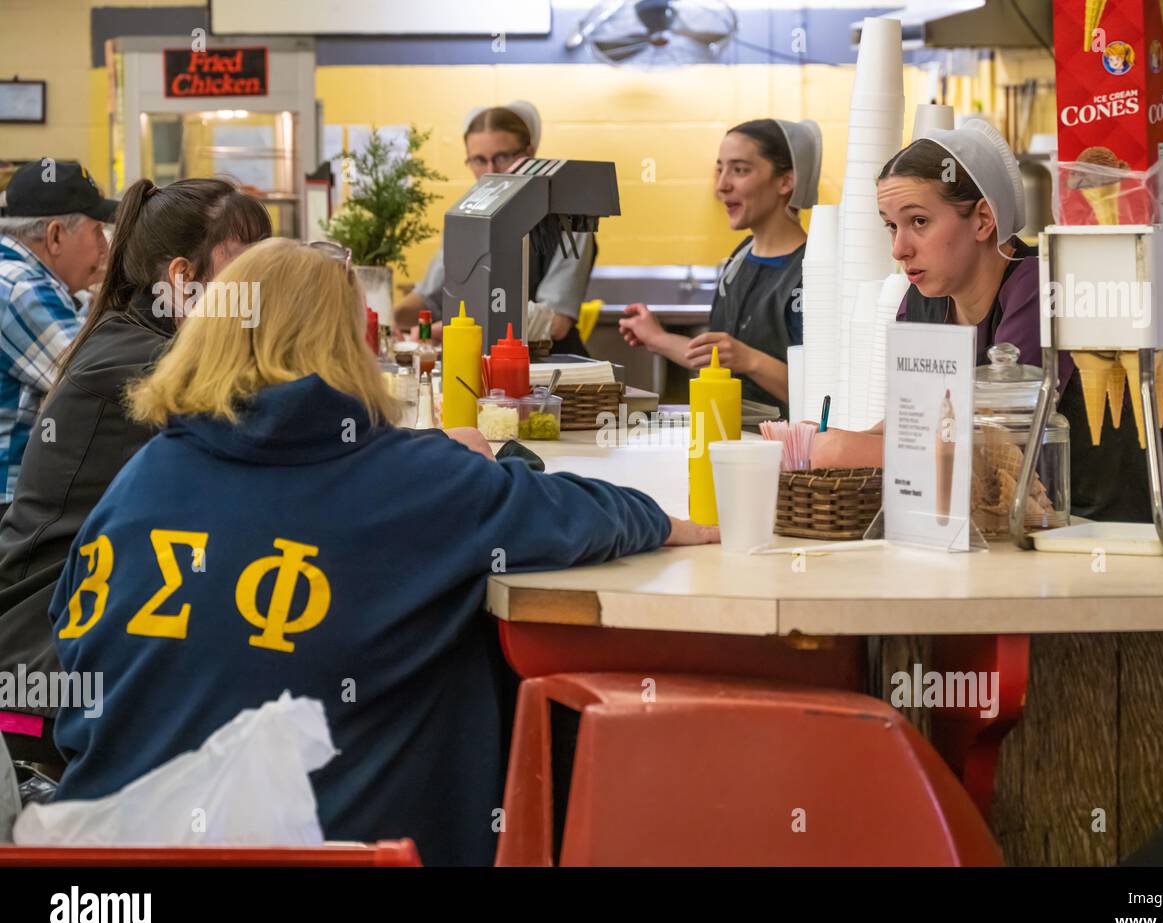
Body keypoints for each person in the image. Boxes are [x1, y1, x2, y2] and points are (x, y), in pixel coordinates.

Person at [47, 239, 717, 865]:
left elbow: (70, 655)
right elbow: (573, 515)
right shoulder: (415, 482)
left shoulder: (142, 479)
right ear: (349, 341)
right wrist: (662, 519)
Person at [812, 119, 1163, 532]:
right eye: (890, 226)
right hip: (1081, 516)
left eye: (918, 222)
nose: (899, 249)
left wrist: (842, 449)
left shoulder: (1043, 288)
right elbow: (919, 424)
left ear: (983, 220)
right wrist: (826, 442)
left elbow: (995, 446)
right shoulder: (919, 305)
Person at [0, 178, 271, 771]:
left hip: (76, 639)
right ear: (182, 277)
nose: (267, 285)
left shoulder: (136, 335)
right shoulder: (149, 366)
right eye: (249, 265)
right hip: (45, 671)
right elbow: (285, 439)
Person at [618, 118, 821, 418]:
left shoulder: (811, 271)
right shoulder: (740, 258)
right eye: (720, 169)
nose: (722, 185)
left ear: (785, 181)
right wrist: (657, 338)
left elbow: (822, 392)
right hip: (725, 432)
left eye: (739, 170)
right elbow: (721, 359)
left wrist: (749, 360)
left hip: (782, 447)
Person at [393, 100, 595, 354]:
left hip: (551, 372)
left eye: (502, 157)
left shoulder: (568, 222)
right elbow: (428, 296)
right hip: (481, 363)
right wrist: (388, 317)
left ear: (529, 153)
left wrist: (458, 327)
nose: (490, 171)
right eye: (478, 160)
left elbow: (556, 323)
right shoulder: (467, 219)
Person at [0, 160, 115, 515]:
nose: (105, 250)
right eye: (97, 233)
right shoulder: (20, 287)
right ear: (54, 236)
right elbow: (93, 380)